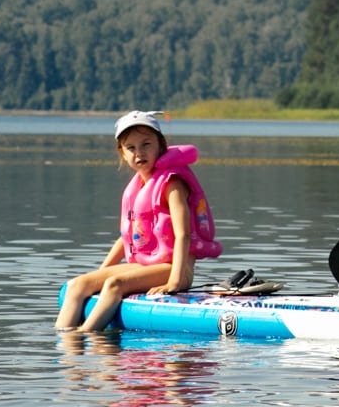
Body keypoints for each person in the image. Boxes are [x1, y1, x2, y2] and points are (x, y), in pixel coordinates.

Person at [55, 111, 223, 331]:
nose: (139, 153)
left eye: (146, 145)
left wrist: (174, 282)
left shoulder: (172, 183)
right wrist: (101, 272)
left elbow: (182, 234)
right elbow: (126, 238)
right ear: (122, 153)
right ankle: (65, 351)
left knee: (114, 284)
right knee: (77, 285)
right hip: (143, 266)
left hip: (174, 268)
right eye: (131, 148)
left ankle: (84, 336)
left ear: (160, 145)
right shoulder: (140, 186)